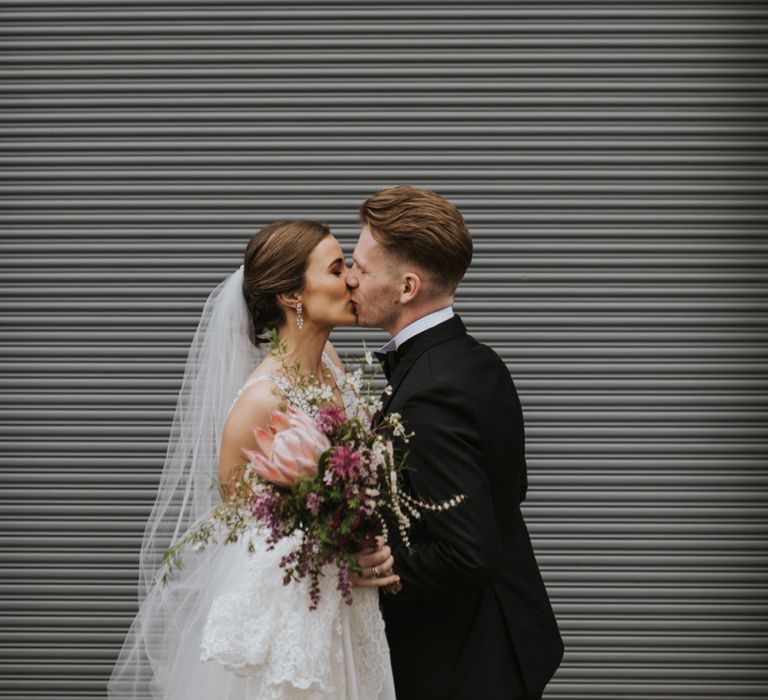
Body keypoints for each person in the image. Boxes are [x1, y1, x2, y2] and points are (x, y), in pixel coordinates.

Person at [108, 220, 398, 700]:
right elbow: (243, 541)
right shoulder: (261, 400)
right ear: (291, 296)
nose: (352, 278)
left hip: (349, 614)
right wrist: (342, 557)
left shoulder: (334, 368)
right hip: (295, 623)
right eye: (335, 268)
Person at [347, 186, 564, 700]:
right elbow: (511, 485)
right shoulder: (478, 359)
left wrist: (379, 564)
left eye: (360, 267)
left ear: (406, 287)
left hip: (465, 660)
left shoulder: (431, 391)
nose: (349, 278)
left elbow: (468, 555)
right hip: (507, 631)